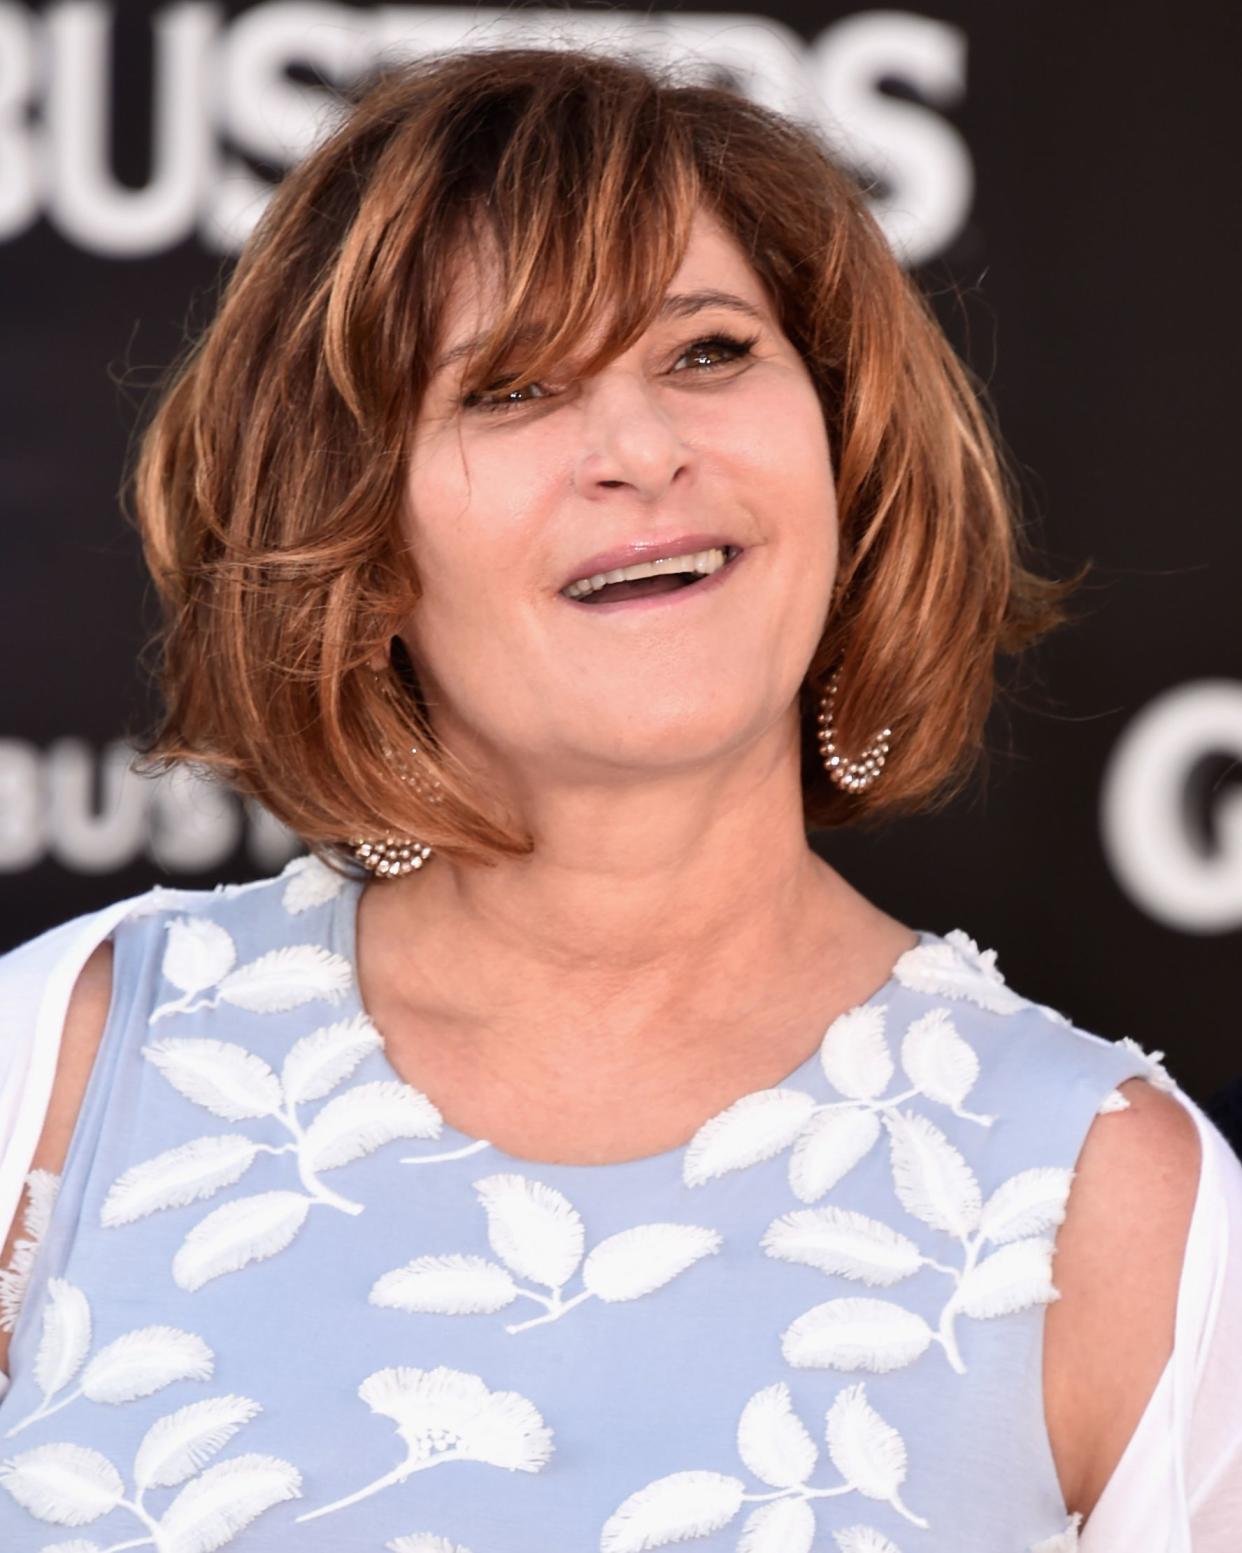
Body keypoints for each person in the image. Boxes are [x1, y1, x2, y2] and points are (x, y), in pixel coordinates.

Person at [0, 42, 1238, 1553]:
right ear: (358, 538)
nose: (641, 451)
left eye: (706, 352)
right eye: (509, 389)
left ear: (841, 449)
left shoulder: (1112, 1201)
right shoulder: (64, 1065)